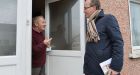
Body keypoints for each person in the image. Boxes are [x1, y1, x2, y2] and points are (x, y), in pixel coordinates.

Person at [83, 0, 124, 75]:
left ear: (94, 7)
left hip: (106, 71)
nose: (84, 11)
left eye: (85, 8)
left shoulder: (108, 19)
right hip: (91, 70)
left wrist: (115, 68)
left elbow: (118, 43)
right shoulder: (90, 24)